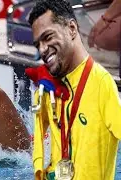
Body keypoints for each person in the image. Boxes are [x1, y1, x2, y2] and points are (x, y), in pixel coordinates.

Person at [28, 0, 121, 179]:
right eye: (37, 44)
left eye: (47, 37)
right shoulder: (45, 86)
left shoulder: (101, 83)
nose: (42, 49)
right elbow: (38, 132)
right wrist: (38, 169)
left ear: (72, 29)